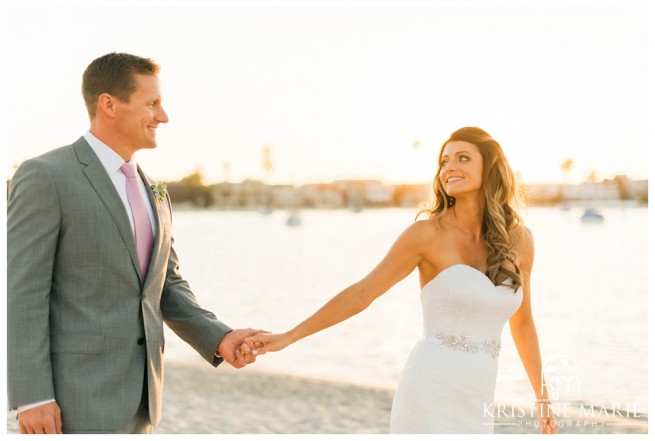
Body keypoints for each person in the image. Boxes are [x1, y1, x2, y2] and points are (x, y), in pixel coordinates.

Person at [7, 52, 262, 434]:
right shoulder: (46, 176)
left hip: (142, 401)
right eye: (152, 104)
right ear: (108, 104)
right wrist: (33, 396)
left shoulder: (154, 190)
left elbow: (166, 286)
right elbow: (22, 293)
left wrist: (220, 337)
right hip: (71, 400)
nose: (163, 117)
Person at [244, 127, 558, 434]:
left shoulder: (519, 241)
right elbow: (363, 293)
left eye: (462, 158)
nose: (449, 168)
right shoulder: (425, 235)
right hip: (429, 389)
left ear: (490, 168)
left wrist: (541, 396)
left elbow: (523, 324)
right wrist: (290, 336)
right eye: (444, 162)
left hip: (479, 395)